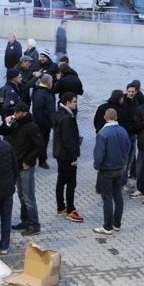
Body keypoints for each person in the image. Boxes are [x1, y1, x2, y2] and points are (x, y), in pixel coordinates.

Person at [0, 103, 45, 237]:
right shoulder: (16, 123)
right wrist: (6, 123)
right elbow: (1, 132)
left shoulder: (31, 126)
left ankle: (35, 225)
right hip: (15, 165)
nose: (15, 115)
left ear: (24, 112)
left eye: (17, 113)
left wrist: (28, 161)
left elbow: (40, 146)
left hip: (25, 167)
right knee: (21, 196)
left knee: (29, 197)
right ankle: (25, 221)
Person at [93, 108, 130, 235]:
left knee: (107, 198)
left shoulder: (103, 133)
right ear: (116, 118)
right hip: (119, 169)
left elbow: (99, 153)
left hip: (106, 170)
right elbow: (127, 149)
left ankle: (107, 227)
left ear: (105, 117)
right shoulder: (123, 131)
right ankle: (117, 224)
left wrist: (97, 165)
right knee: (118, 196)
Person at [53, 92, 83, 222]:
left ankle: (61, 207)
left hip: (60, 154)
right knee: (71, 183)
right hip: (66, 156)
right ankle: (70, 210)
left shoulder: (59, 114)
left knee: (61, 180)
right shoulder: (66, 118)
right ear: (68, 103)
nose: (76, 104)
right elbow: (68, 140)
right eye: (74, 101)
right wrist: (73, 158)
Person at [32, 74, 56, 169]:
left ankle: (42, 160)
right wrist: (42, 122)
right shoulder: (40, 93)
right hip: (42, 124)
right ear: (48, 83)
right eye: (52, 82)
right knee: (39, 143)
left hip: (47, 122)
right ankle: (37, 160)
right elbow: (37, 110)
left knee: (44, 142)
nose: (52, 84)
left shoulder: (47, 92)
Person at [121, 83, 139, 189]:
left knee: (131, 158)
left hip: (133, 134)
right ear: (126, 91)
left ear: (136, 92)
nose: (131, 93)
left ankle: (125, 179)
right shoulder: (123, 102)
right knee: (125, 158)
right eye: (129, 91)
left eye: (133, 91)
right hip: (125, 134)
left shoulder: (136, 102)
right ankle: (122, 182)